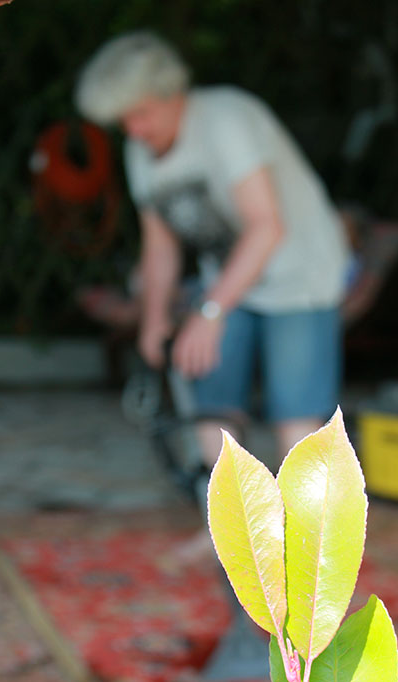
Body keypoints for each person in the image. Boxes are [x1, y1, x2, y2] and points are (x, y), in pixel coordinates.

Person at [75, 30, 349, 470]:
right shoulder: (139, 151)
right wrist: (154, 319)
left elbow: (266, 226)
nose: (134, 130)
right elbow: (160, 243)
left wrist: (210, 312)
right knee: (213, 408)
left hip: (300, 275)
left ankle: (305, 537)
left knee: (296, 417)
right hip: (229, 281)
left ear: (173, 94)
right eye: (124, 120)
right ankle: (223, 533)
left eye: (142, 114)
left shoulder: (225, 121)